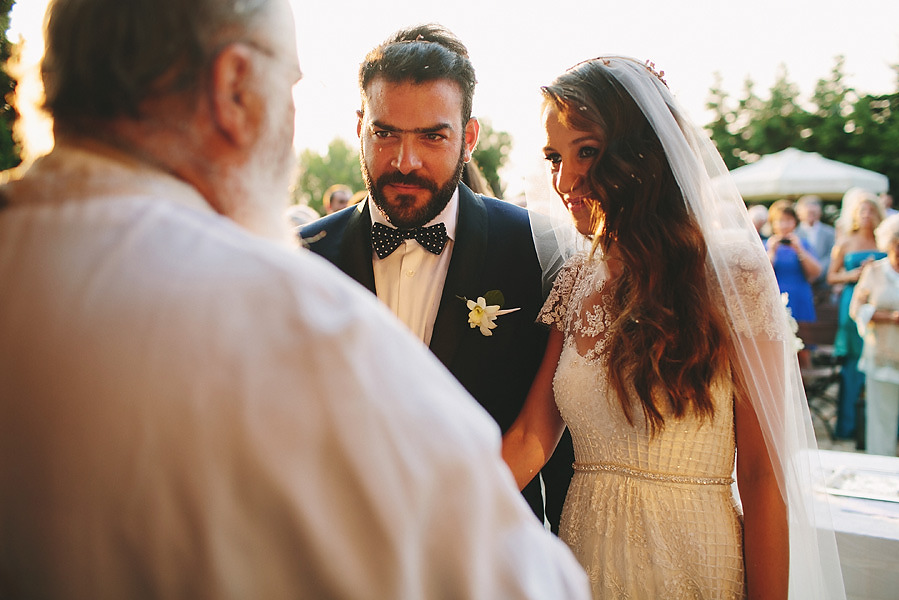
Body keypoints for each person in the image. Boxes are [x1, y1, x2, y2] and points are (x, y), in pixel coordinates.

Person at [0, 2, 591, 598]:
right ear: (234, 86)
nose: (405, 159)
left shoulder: (532, 247)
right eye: (288, 85)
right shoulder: (298, 320)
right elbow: (525, 584)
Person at [501, 57, 845, 599]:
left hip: (692, 559)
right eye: (554, 158)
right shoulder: (574, 281)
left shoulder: (733, 276)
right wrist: (429, 518)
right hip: (583, 559)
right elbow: (530, 438)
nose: (564, 180)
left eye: (585, 151)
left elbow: (761, 474)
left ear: (641, 154)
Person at [299, 23, 574, 533]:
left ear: (469, 138)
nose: (405, 162)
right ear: (360, 126)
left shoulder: (534, 250)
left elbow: (560, 444)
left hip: (490, 554)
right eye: (385, 134)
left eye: (432, 136)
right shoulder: (300, 259)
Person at [827, 193, 886, 439]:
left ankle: (879, 425)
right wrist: (852, 275)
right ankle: (849, 426)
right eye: (862, 211)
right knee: (853, 361)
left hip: (879, 301)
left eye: (871, 210)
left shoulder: (885, 240)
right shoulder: (845, 242)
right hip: (851, 303)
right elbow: (831, 276)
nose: (866, 215)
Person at [849, 213, 899, 455]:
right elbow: (856, 309)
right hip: (882, 353)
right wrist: (888, 317)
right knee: (881, 418)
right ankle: (881, 468)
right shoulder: (874, 272)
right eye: (896, 244)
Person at [766, 199, 822, 324]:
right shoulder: (766, 246)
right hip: (776, 297)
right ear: (773, 223)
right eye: (780, 221)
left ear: (795, 223)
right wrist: (772, 252)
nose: (784, 225)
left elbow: (816, 273)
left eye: (788, 220)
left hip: (800, 296)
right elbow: (762, 274)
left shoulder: (803, 244)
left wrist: (799, 250)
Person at [796, 194, 835, 294]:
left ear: (820, 212)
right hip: (801, 282)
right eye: (808, 212)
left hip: (824, 285)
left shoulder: (830, 233)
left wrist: (818, 270)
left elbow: (832, 255)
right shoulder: (794, 234)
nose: (811, 214)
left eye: (814, 212)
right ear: (799, 213)